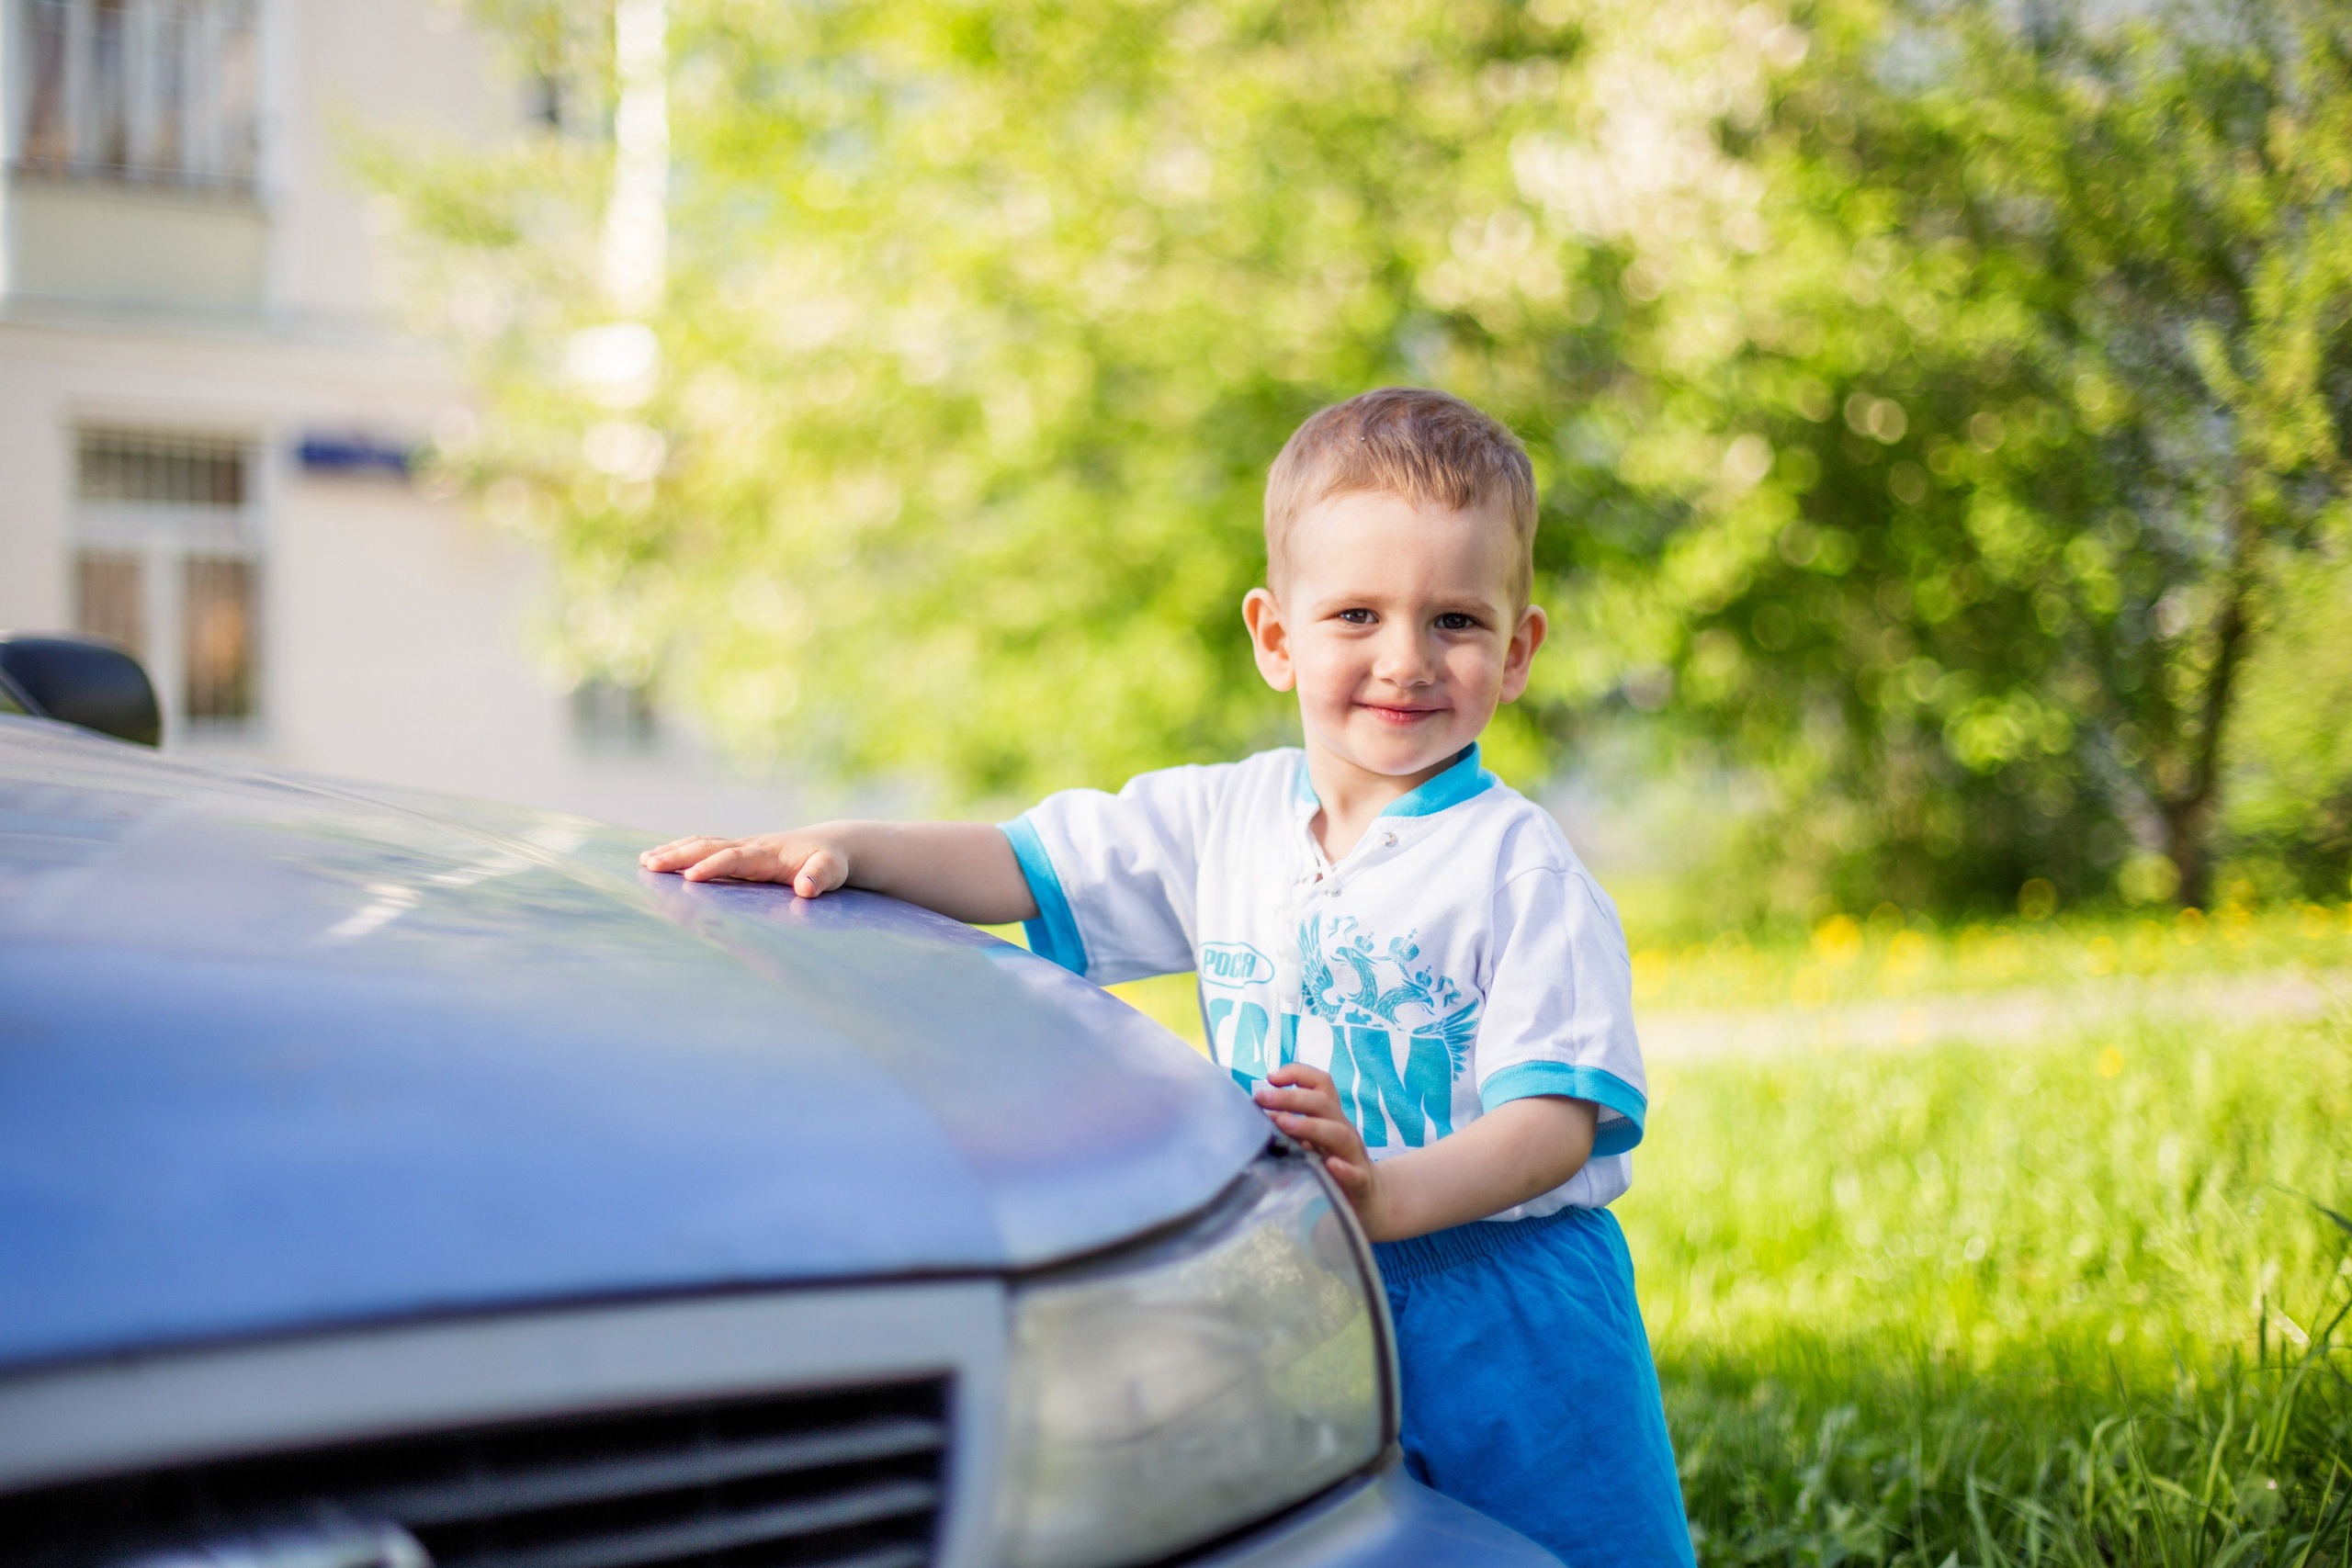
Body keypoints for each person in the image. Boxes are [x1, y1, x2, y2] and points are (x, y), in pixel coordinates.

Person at [641, 387, 1694, 1567]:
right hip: (1300, 1274)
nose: (1405, 660)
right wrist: (848, 846)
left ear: (1518, 652)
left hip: (1507, 1298)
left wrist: (1391, 1194)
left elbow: (1554, 1121)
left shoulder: (1517, 865)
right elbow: (1023, 865)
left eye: (1455, 620)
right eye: (1355, 614)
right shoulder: (1222, 818)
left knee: (1575, 1543)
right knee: (1332, 1537)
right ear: (1275, 636)